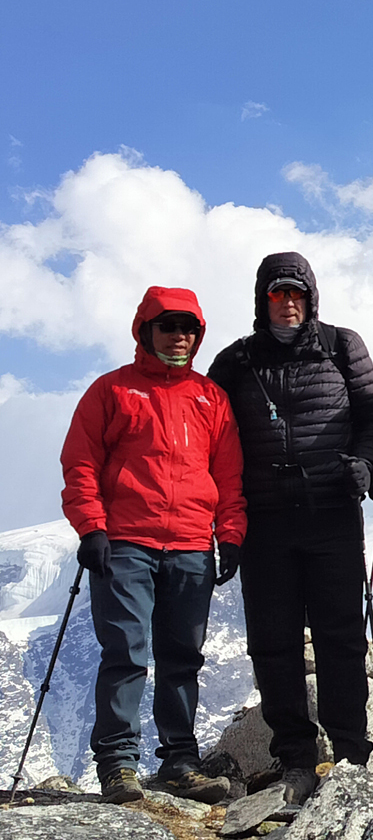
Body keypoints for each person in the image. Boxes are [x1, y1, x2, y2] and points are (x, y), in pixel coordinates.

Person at [207, 252, 373, 806]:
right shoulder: (235, 361)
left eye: (297, 294)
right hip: (264, 522)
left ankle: (350, 754)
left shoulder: (342, 345)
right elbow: (209, 431)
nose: (288, 303)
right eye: (277, 294)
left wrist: (364, 464)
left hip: (331, 512)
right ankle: (295, 759)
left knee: (340, 637)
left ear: (311, 298)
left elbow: (372, 415)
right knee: (273, 643)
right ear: (262, 299)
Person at [60, 287, 245, 805]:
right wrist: (91, 527)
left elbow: (229, 475)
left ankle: (180, 762)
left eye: (189, 327)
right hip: (125, 542)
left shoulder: (211, 398)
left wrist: (229, 534)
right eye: (169, 326)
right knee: (125, 652)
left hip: (190, 544)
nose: (180, 336)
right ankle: (118, 765)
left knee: (183, 656)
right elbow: (80, 463)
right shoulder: (112, 391)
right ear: (146, 330)